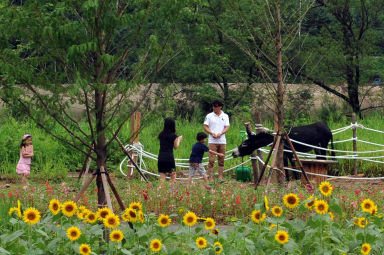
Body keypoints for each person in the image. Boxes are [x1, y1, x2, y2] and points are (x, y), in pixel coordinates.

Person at [204, 100, 230, 182]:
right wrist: (211, 133)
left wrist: (221, 133)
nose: (214, 108)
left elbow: (227, 127)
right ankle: (210, 176)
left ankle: (220, 177)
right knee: (211, 159)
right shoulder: (209, 116)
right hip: (212, 141)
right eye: (213, 106)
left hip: (222, 141)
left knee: (221, 158)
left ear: (220, 107)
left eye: (216, 106)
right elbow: (205, 126)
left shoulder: (225, 116)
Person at [158, 118, 183, 183]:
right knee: (173, 178)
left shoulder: (161, 134)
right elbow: (176, 147)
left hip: (161, 157)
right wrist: (179, 139)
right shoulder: (174, 136)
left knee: (162, 179)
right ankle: (173, 191)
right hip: (169, 157)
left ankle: (159, 191)